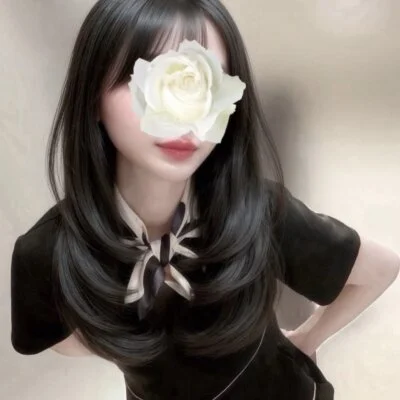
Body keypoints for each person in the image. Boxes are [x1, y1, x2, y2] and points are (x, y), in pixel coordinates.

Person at [10, 1, 399, 399]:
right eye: (143, 76)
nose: (181, 111)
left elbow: (379, 268)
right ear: (92, 93)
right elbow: (53, 337)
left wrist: (305, 339)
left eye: (204, 83)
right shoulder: (47, 251)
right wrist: (120, 340)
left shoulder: (256, 210)